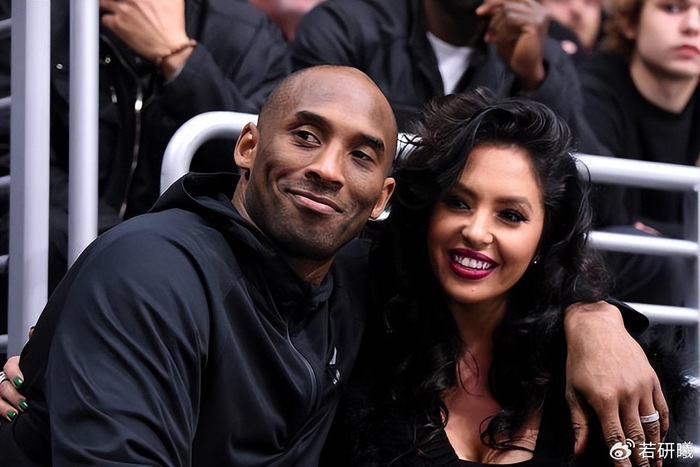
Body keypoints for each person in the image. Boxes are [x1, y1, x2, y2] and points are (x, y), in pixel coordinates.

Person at [0, 67, 668, 466]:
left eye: (512, 215)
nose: (326, 169)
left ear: (382, 196)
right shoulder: (153, 270)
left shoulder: (343, 286)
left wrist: (596, 320)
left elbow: (660, 451)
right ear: (248, 145)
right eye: (306, 135)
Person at [324, 92, 675, 466]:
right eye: (459, 202)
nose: (476, 232)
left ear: (545, 238)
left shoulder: (606, 361)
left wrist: (597, 318)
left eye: (510, 215)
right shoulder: (355, 320)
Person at [0, 0, 291, 293]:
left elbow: (258, 174)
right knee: (39, 231)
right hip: (52, 258)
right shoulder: (30, 12)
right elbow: (11, 158)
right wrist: (122, 245)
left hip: (183, 266)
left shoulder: (247, 35)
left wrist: (179, 59)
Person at [290, 0, 601, 155]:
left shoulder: (542, 57)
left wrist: (534, 79)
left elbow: (599, 196)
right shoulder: (346, 26)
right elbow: (304, 148)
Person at [579, 0, 700, 304]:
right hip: (611, 291)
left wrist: (662, 233)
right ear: (630, 22)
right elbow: (599, 213)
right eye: (673, 8)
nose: (693, 26)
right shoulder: (589, 91)